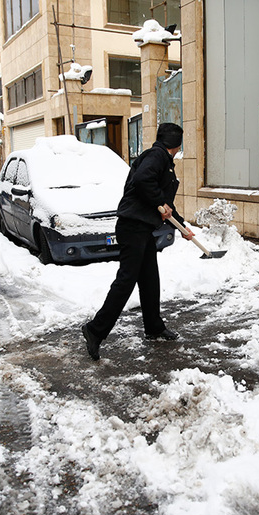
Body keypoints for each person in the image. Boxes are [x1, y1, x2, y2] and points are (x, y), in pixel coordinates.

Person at [82, 122, 194, 361]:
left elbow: (163, 202)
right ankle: (94, 330)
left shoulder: (158, 158)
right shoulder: (157, 157)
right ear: (177, 144)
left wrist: (182, 226)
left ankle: (153, 327)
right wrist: (160, 203)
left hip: (141, 229)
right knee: (126, 281)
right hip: (132, 227)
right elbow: (145, 182)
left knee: (150, 278)